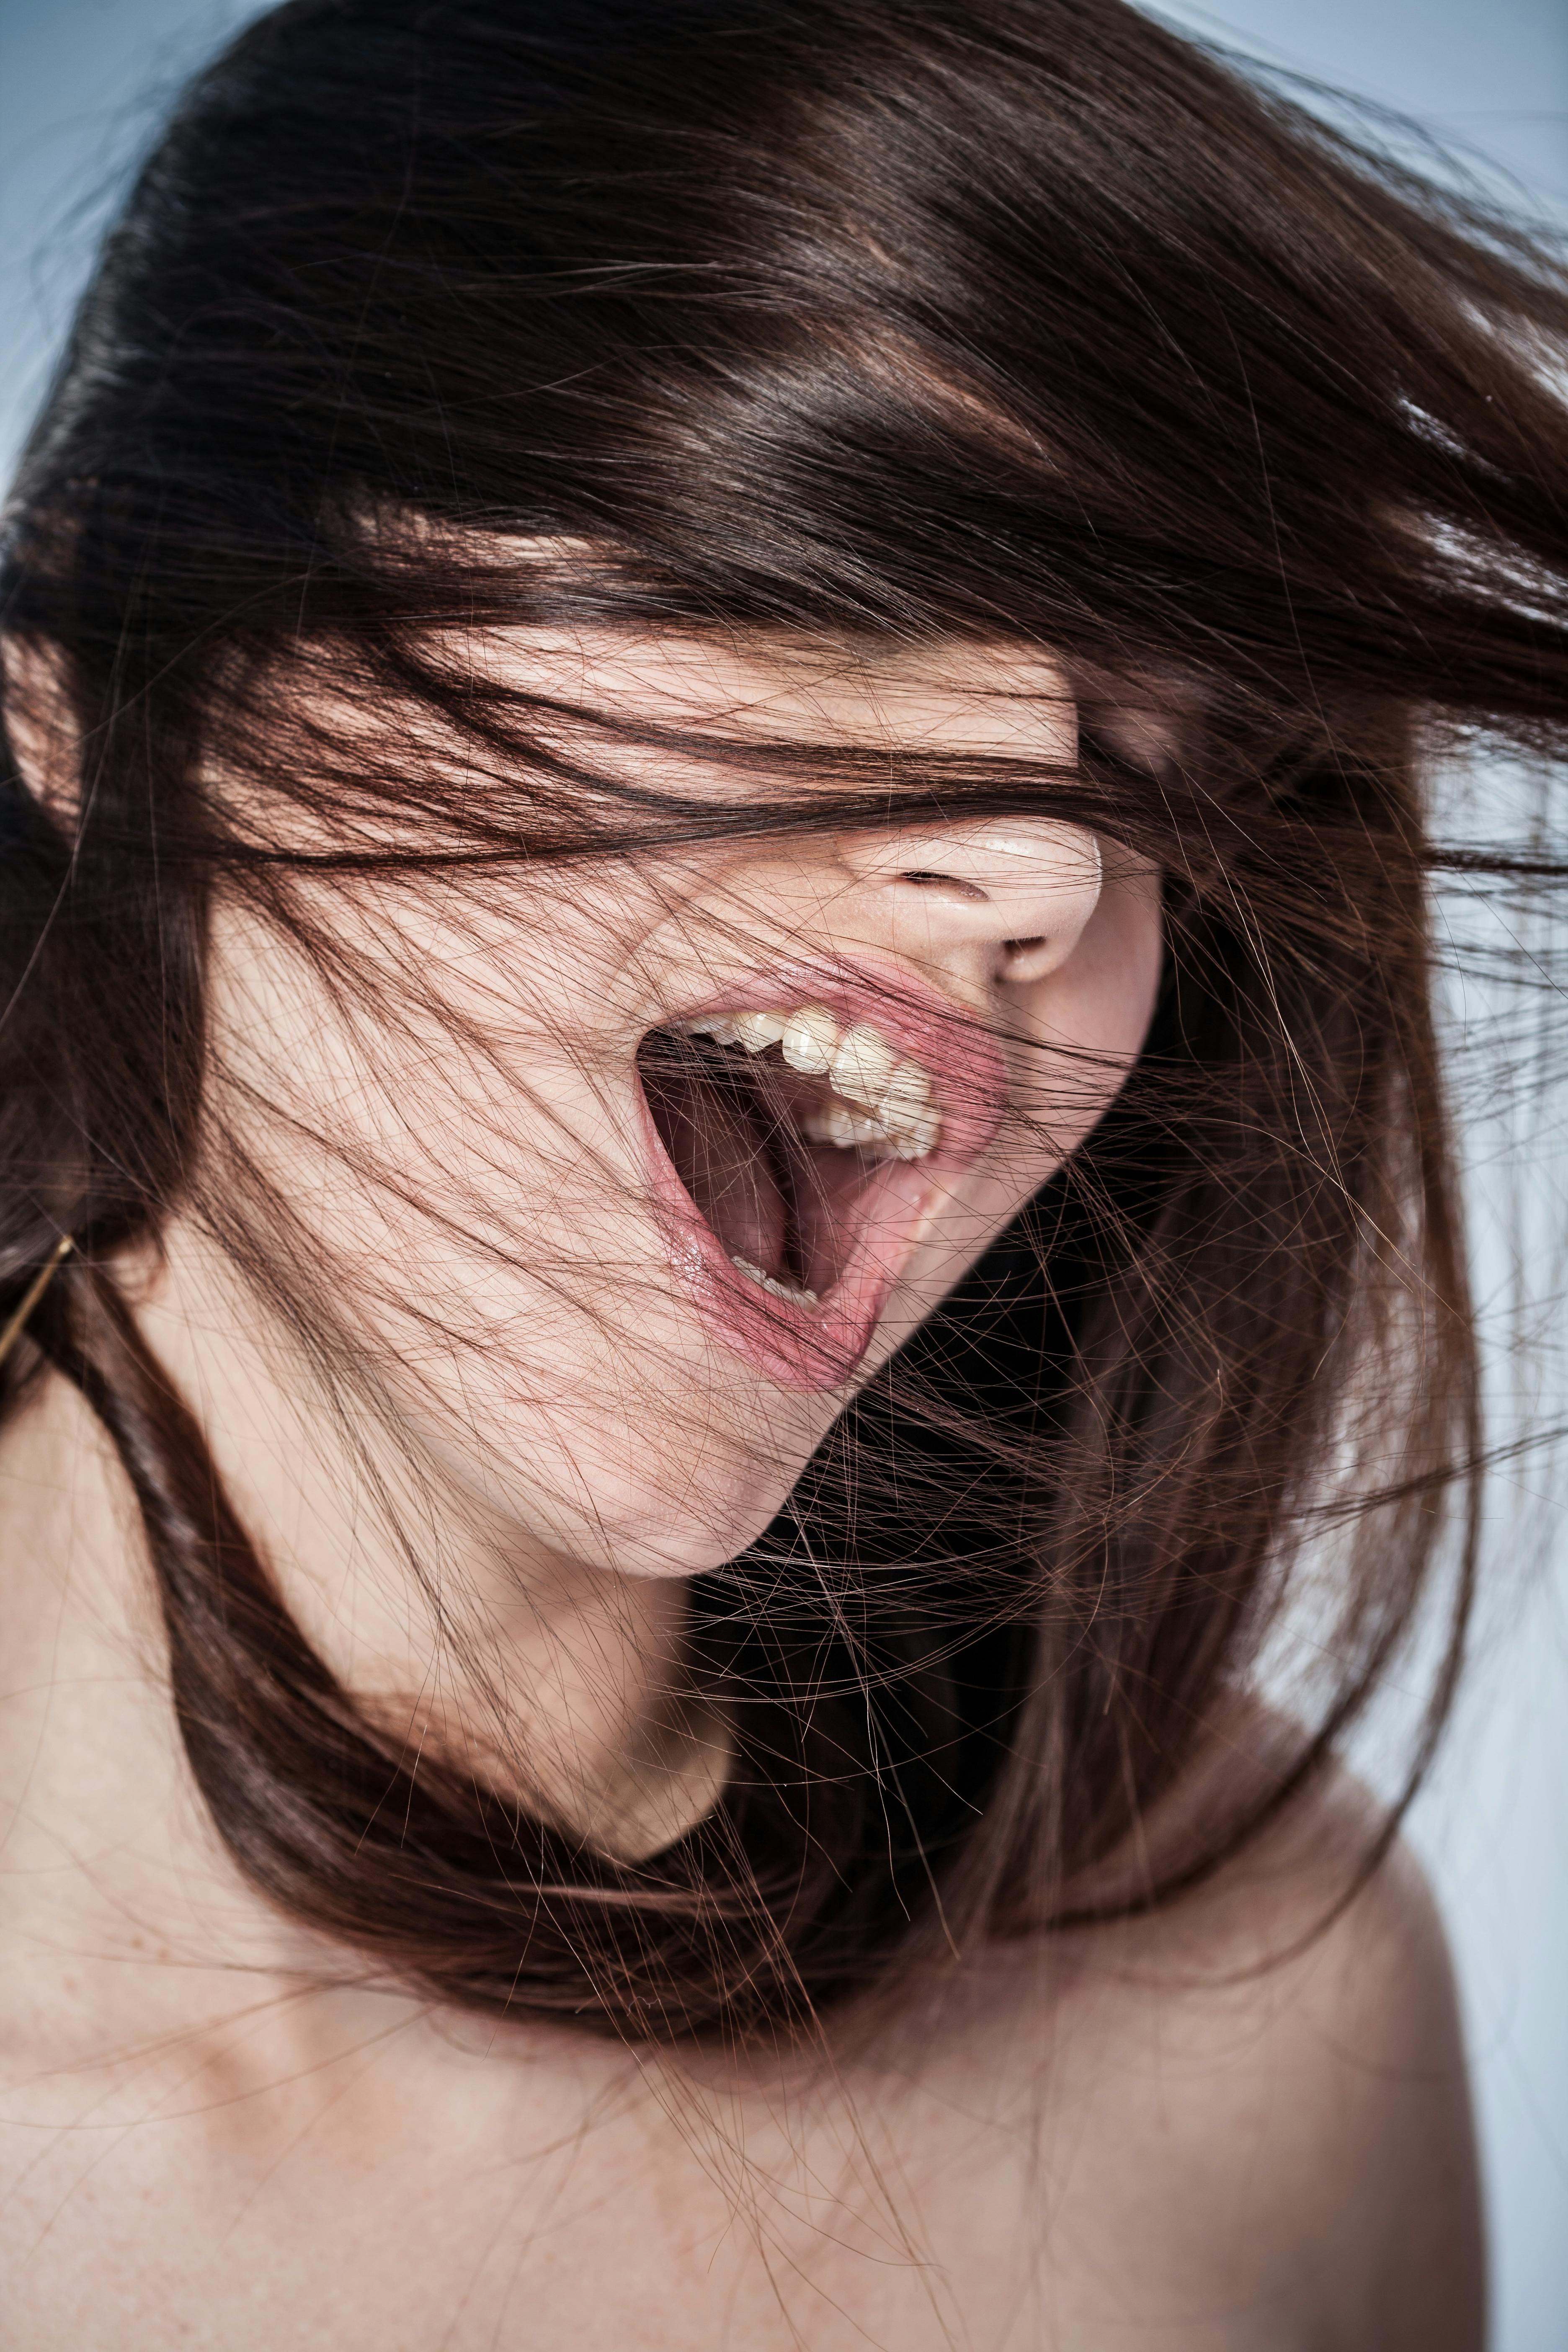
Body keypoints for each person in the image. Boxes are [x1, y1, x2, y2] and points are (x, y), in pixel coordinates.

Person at [3, 0, 1561, 2340]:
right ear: (112, 695)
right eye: (818, 587)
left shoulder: (1256, 2007)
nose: (1051, 869)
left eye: (1152, 759)